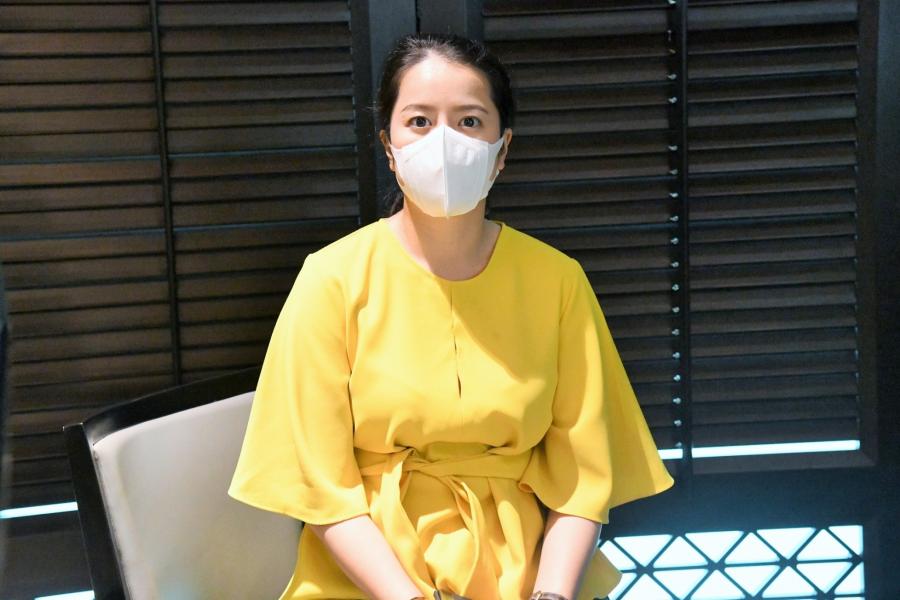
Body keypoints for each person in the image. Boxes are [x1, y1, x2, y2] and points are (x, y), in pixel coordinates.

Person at [228, 32, 674, 600]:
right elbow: (320, 489)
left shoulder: (558, 281)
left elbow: (583, 483)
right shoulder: (330, 279)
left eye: (469, 121)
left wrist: (552, 594)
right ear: (389, 145)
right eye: (419, 121)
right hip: (368, 576)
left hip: (525, 575)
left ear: (502, 149)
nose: (444, 141)